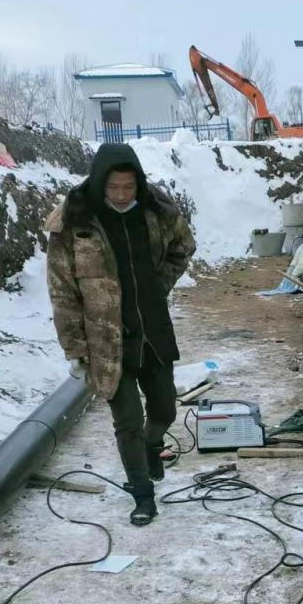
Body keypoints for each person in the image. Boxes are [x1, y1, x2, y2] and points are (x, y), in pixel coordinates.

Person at [45, 142, 196, 525]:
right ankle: (142, 493)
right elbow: (62, 291)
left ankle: (153, 446)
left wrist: (158, 284)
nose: (122, 195)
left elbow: (184, 247)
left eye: (129, 187)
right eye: (114, 187)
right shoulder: (75, 222)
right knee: (127, 418)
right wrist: (75, 349)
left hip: (152, 328)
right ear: (100, 183)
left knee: (164, 407)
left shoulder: (156, 211)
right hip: (107, 339)